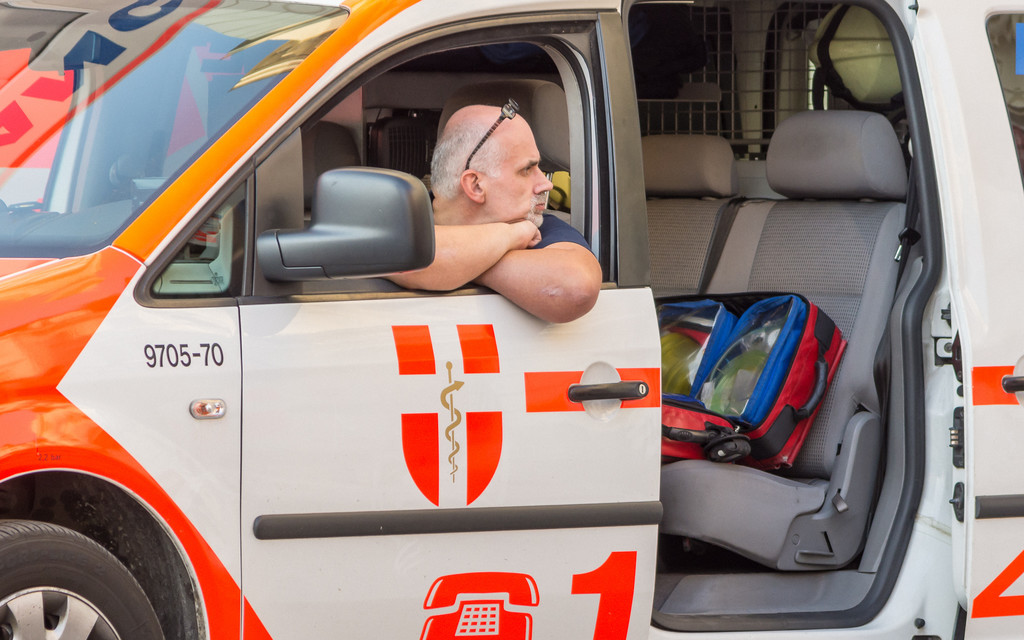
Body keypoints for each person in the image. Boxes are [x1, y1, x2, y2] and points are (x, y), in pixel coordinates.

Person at [387, 102, 601, 323]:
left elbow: (575, 287)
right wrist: (511, 236)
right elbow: (395, 251)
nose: (546, 184)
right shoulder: (395, 219)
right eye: (527, 170)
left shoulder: (542, 226)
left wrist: (452, 266)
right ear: (476, 185)